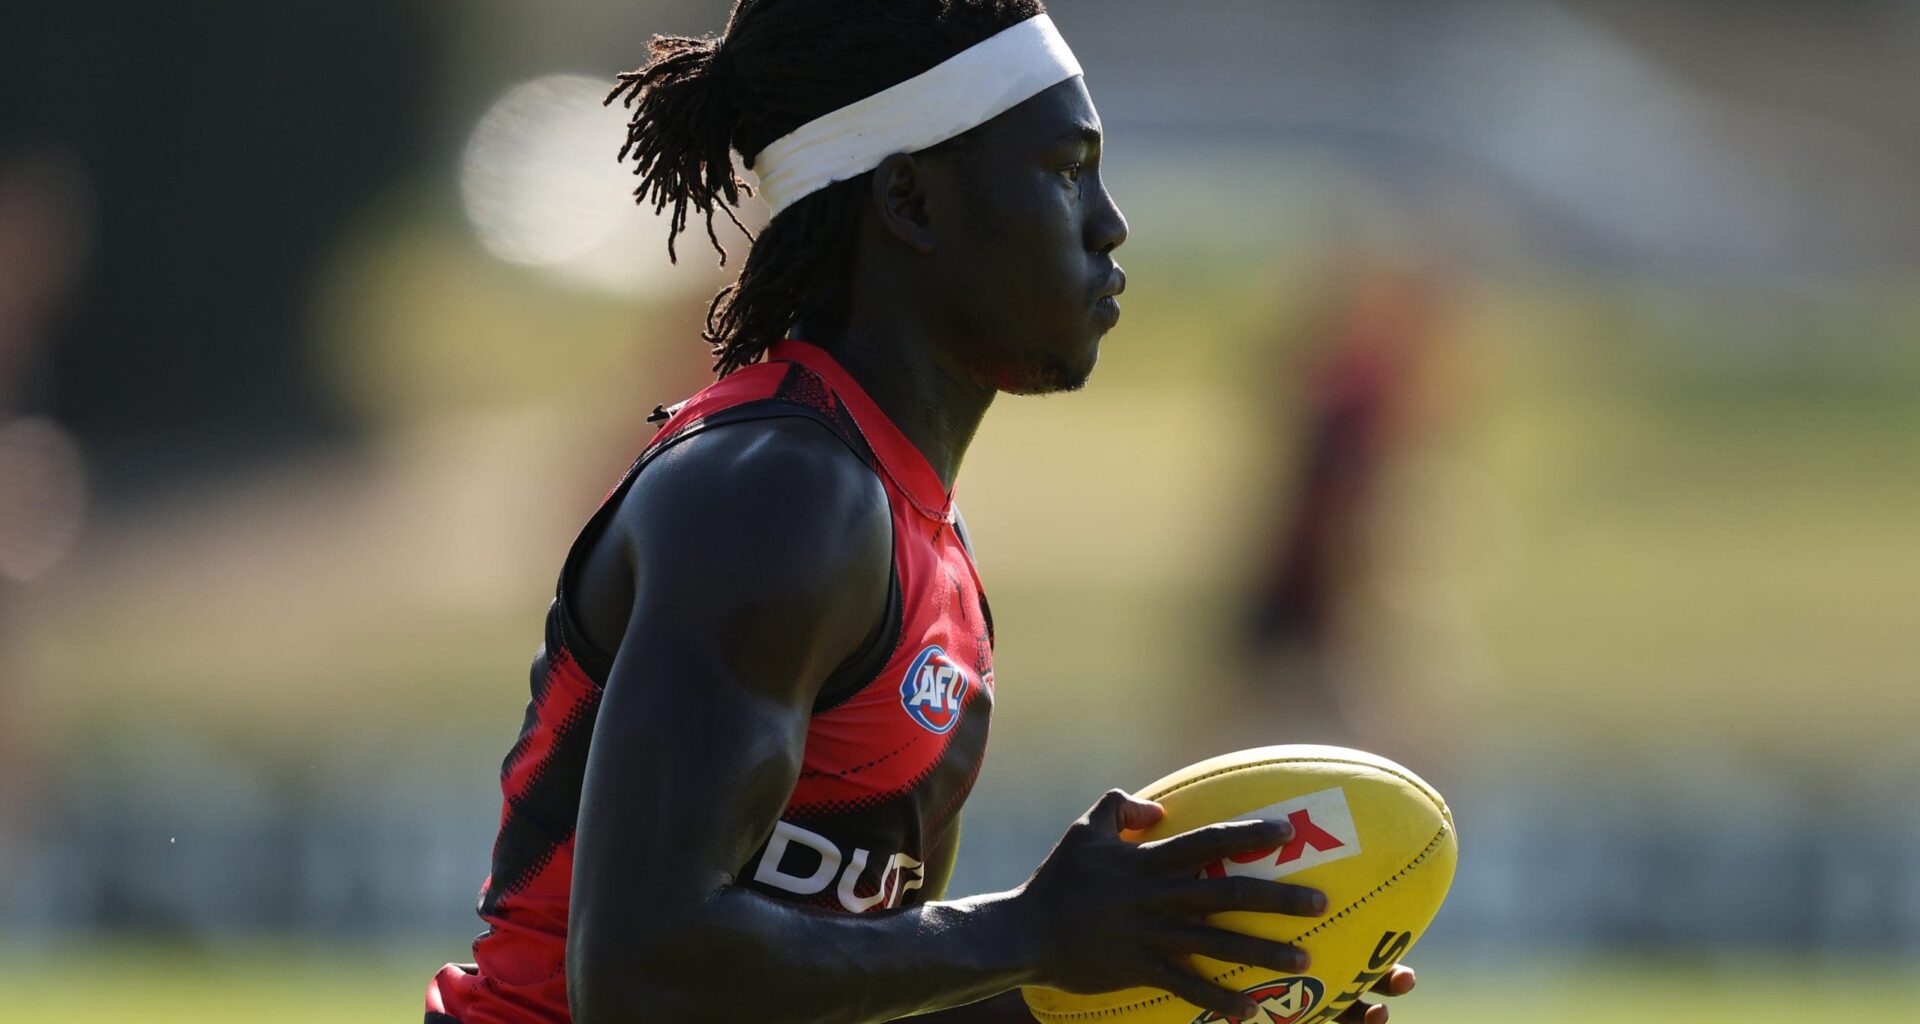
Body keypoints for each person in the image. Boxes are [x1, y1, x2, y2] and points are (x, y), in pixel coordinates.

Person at [426, 3, 1417, 1022]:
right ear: (911, 199)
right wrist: (1032, 933)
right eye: (1067, 166)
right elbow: (643, 978)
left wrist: (1156, 980)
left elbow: (839, 995)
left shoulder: (910, 531)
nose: (1110, 221)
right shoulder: (776, 496)